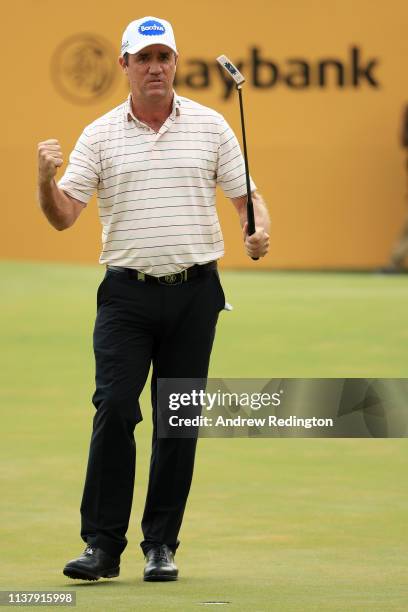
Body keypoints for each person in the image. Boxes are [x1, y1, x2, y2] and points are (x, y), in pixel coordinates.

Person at [37, 16, 270, 583]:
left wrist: (258, 232)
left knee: (177, 419)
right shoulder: (99, 135)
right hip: (126, 295)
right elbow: (65, 216)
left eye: (163, 56)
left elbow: (246, 200)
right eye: (143, 58)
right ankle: (101, 546)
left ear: (175, 62)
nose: (155, 67)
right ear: (124, 66)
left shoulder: (211, 126)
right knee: (115, 406)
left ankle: (161, 545)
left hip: (195, 293)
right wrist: (45, 181)